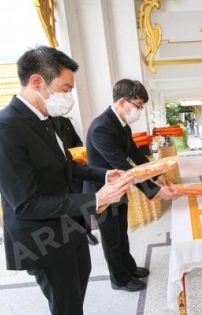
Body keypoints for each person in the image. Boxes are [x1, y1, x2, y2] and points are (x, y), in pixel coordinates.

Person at [0, 45, 133, 315]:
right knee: (66, 305)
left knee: (79, 284)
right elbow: (26, 204)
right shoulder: (7, 127)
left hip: (69, 226)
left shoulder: (48, 120)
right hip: (40, 239)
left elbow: (66, 166)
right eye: (65, 89)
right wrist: (96, 198)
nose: (69, 96)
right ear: (37, 82)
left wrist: (105, 174)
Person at [84, 78, 175, 292]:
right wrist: (155, 191)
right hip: (102, 193)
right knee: (112, 239)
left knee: (121, 232)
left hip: (119, 189)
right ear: (123, 102)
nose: (139, 111)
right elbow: (123, 166)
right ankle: (119, 279)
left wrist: (158, 176)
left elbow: (135, 154)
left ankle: (129, 267)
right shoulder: (101, 127)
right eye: (138, 105)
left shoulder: (121, 124)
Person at [54, 116, 99, 246]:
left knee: (81, 204)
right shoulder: (40, 124)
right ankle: (71, 234)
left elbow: (77, 141)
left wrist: (78, 155)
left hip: (75, 171)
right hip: (58, 174)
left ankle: (87, 232)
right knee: (66, 206)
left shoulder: (66, 121)